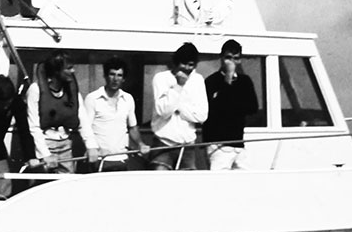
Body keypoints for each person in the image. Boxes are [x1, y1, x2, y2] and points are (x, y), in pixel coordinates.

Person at [82, 57, 148, 172]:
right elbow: (85, 128)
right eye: (112, 74)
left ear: (123, 79)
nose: (115, 79)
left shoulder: (128, 98)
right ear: (105, 76)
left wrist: (140, 144)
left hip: (122, 158)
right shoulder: (92, 98)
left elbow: (132, 128)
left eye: (119, 75)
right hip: (99, 159)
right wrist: (92, 148)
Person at [25, 53, 86, 174]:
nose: (73, 71)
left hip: (66, 145)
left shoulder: (71, 90)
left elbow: (83, 118)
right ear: (56, 71)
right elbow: (33, 126)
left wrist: (91, 145)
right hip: (45, 144)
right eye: (68, 68)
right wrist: (45, 154)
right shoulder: (35, 90)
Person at [150, 42, 208, 170]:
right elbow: (163, 111)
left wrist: (178, 107)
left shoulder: (198, 80)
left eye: (191, 64)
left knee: (187, 188)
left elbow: (202, 115)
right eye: (184, 63)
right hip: (163, 144)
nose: (187, 68)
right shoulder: (160, 78)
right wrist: (179, 86)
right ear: (176, 62)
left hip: (187, 147)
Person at [204, 39, 258, 170]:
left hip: (238, 143)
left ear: (240, 60)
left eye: (236, 58)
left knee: (243, 183)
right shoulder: (211, 81)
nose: (232, 62)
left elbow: (252, 107)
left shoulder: (245, 81)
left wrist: (233, 103)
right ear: (221, 58)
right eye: (228, 58)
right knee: (220, 184)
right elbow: (214, 110)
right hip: (218, 144)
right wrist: (227, 81)